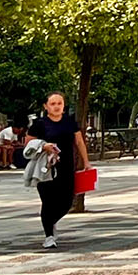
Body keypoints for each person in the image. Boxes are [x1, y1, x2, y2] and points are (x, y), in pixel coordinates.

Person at [26, 92, 88, 250]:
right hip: (45, 168)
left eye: (59, 103)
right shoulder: (39, 124)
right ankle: (49, 236)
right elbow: (28, 143)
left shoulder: (69, 122)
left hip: (66, 166)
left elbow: (79, 141)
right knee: (48, 202)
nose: (56, 107)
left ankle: (51, 221)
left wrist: (86, 162)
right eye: (52, 104)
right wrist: (44, 146)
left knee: (67, 201)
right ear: (46, 106)